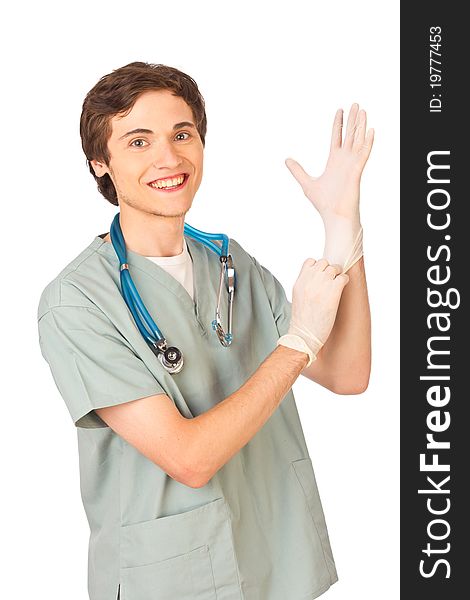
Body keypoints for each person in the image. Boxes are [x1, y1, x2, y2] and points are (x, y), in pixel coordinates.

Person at [37, 61, 373, 600]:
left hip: (272, 559)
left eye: (182, 134)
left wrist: (343, 228)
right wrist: (297, 344)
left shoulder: (228, 263)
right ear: (101, 163)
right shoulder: (77, 302)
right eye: (139, 141)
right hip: (169, 579)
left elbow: (348, 372)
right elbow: (188, 459)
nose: (169, 158)